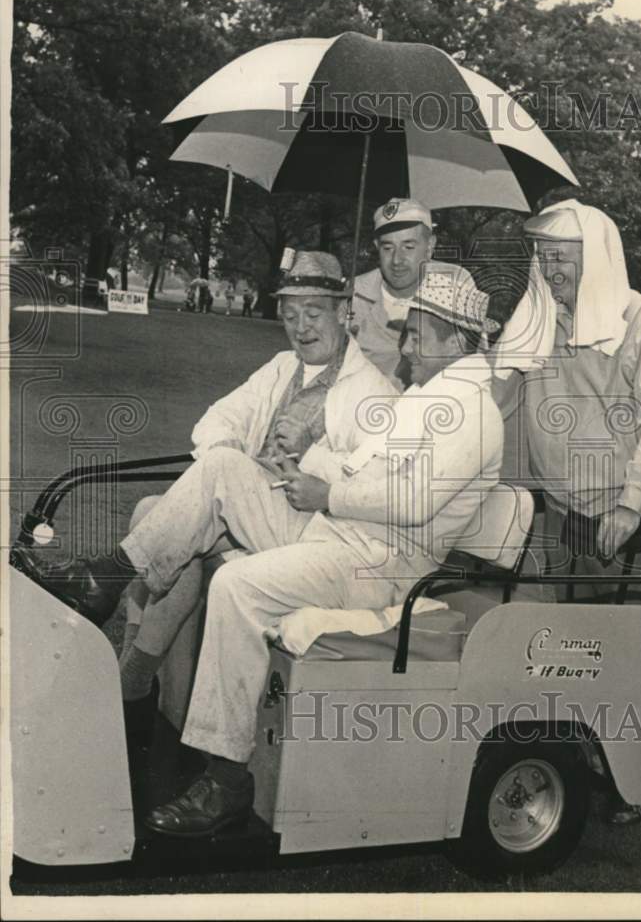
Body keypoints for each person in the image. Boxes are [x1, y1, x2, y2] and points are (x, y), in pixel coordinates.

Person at [133, 269, 508, 837]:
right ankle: (109, 575)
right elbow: (352, 463)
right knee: (222, 469)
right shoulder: (426, 399)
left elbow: (411, 503)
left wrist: (327, 489)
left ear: (456, 342)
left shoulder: (471, 412)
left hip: (380, 563)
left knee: (236, 583)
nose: (404, 346)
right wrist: (309, 468)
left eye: (417, 335)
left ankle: (228, 778)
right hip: (337, 533)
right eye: (406, 334)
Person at [16, 251, 397, 733]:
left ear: (345, 313)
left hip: (319, 538)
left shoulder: (374, 394)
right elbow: (217, 420)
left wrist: (312, 450)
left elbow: (372, 492)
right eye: (290, 314)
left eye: (314, 313)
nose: (301, 327)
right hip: (255, 511)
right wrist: (238, 461)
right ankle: (133, 680)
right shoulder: (283, 367)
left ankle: (105, 589)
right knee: (154, 511)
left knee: (212, 480)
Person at [519, 200, 641, 822]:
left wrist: (626, 505)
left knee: (632, 654)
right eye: (542, 256)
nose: (549, 268)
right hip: (563, 516)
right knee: (571, 653)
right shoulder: (537, 320)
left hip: (627, 519)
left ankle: (637, 785)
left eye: (560, 256)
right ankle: (583, 767)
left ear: (593, 258)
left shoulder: (639, 318)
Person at [352, 197, 468, 388]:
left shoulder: (454, 284)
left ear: (430, 246)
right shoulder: (355, 294)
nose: (397, 259)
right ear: (376, 247)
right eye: (388, 248)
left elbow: (474, 362)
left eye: (408, 247)